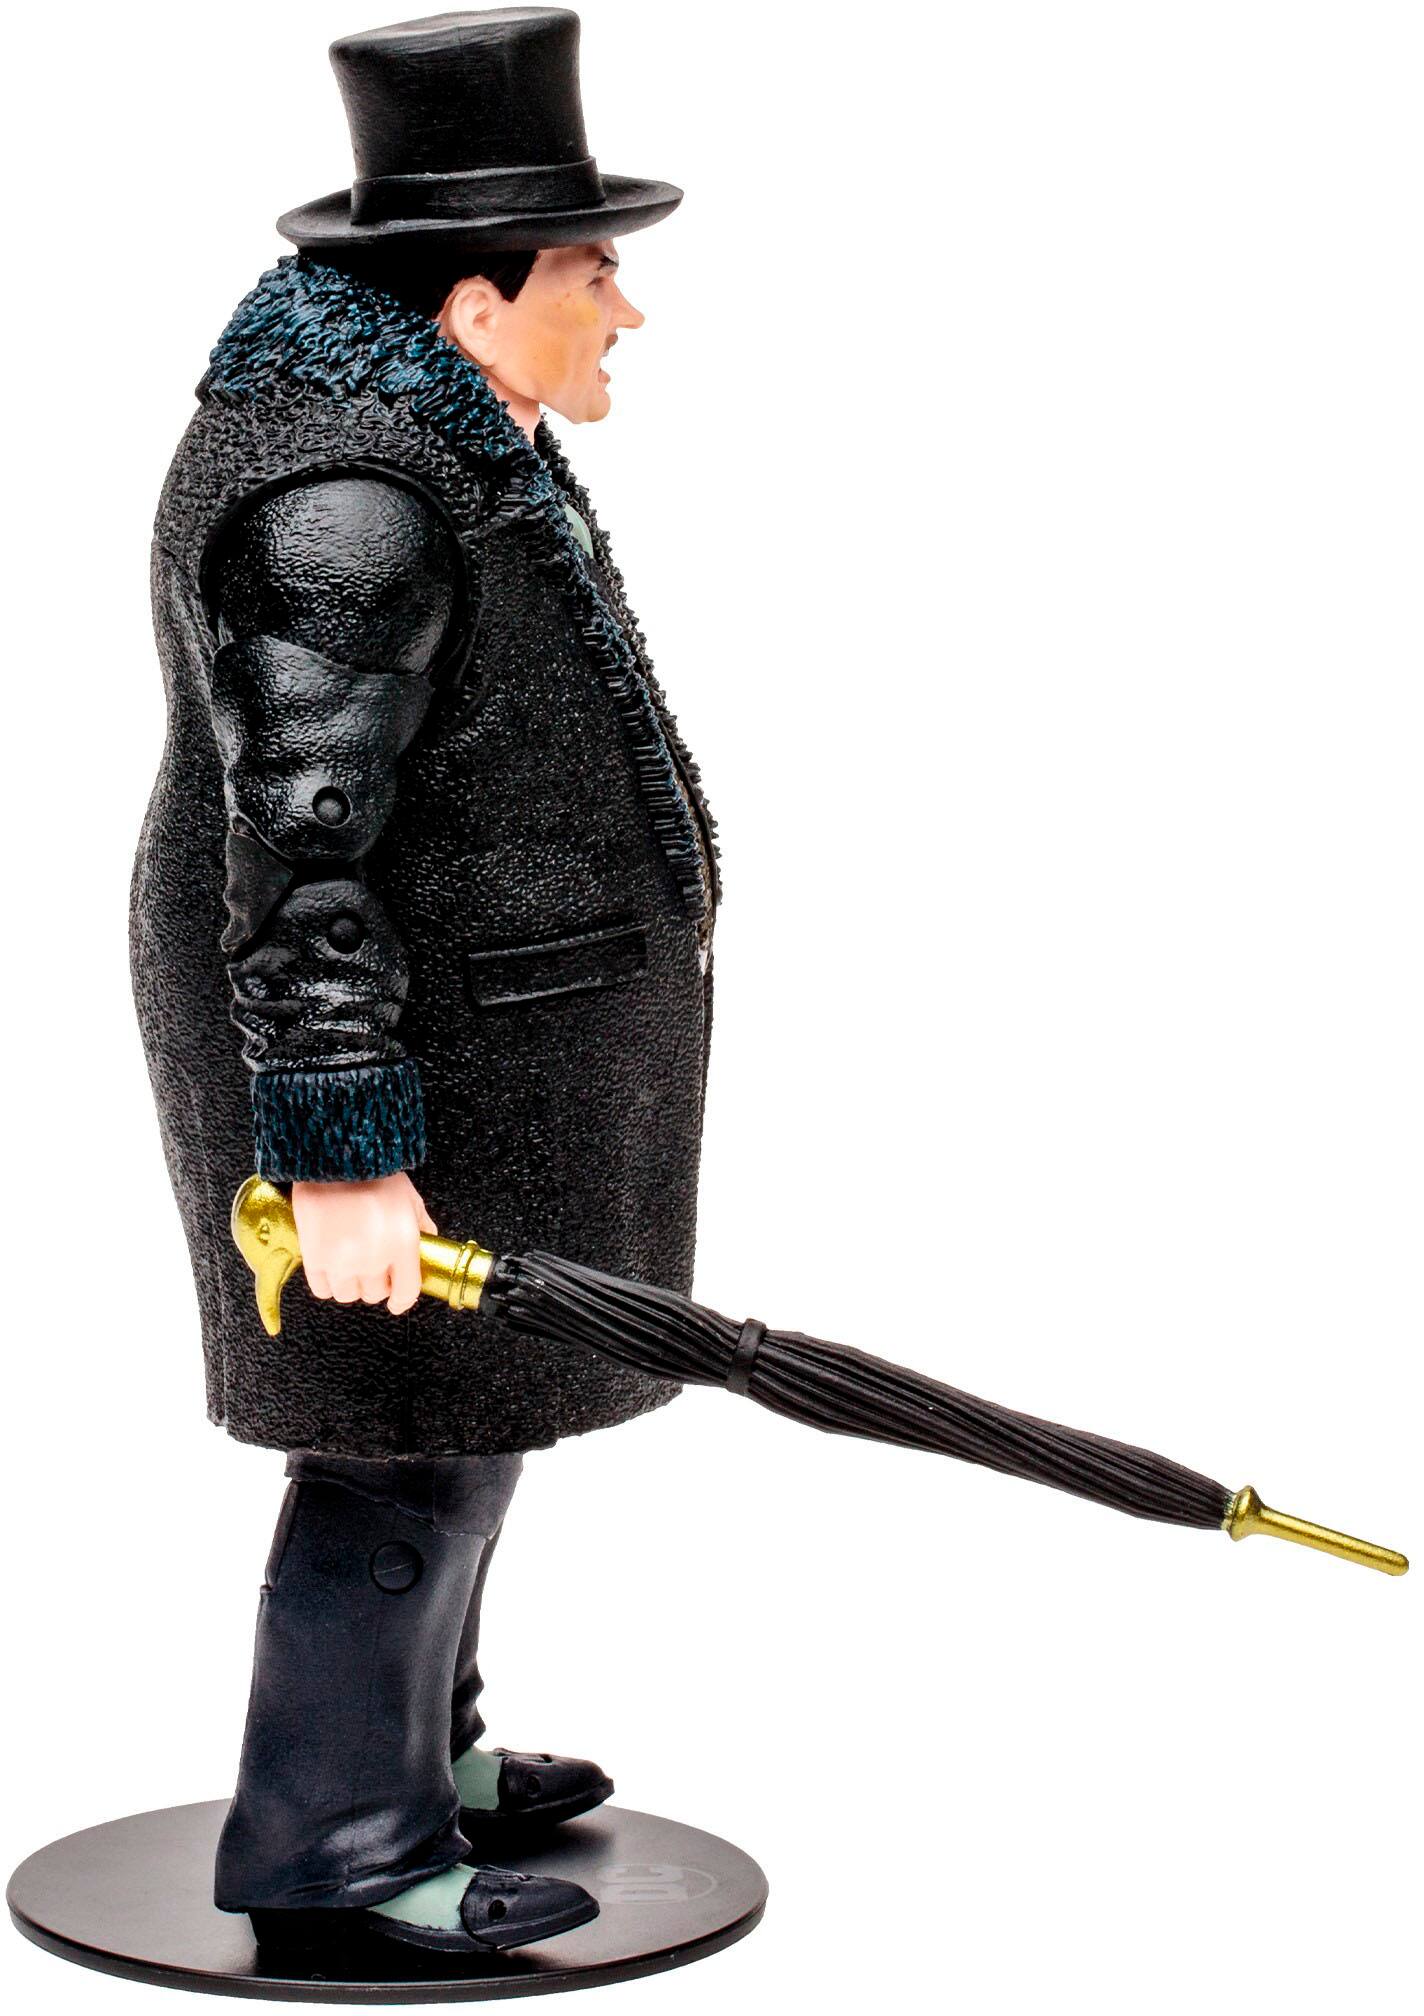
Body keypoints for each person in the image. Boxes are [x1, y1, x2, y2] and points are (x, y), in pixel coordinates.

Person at [131, 8, 717, 1957]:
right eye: (592, 273)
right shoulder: (349, 501)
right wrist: (340, 1149)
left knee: (461, 1419)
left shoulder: (438, 438)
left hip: (483, 1032)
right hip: (406, 1048)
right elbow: (302, 850)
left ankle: (419, 1753)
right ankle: (337, 1845)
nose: (625, 311)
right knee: (396, 1449)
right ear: (475, 306)